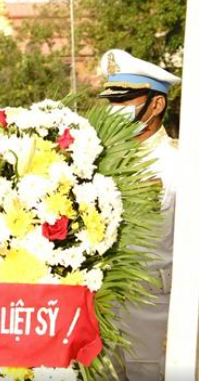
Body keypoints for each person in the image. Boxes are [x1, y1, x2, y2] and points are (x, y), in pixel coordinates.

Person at [98, 49, 181, 381]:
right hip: (104, 316)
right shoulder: (98, 161)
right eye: (112, 102)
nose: (115, 111)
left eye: (126, 100)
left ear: (156, 105)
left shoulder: (182, 164)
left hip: (156, 314)